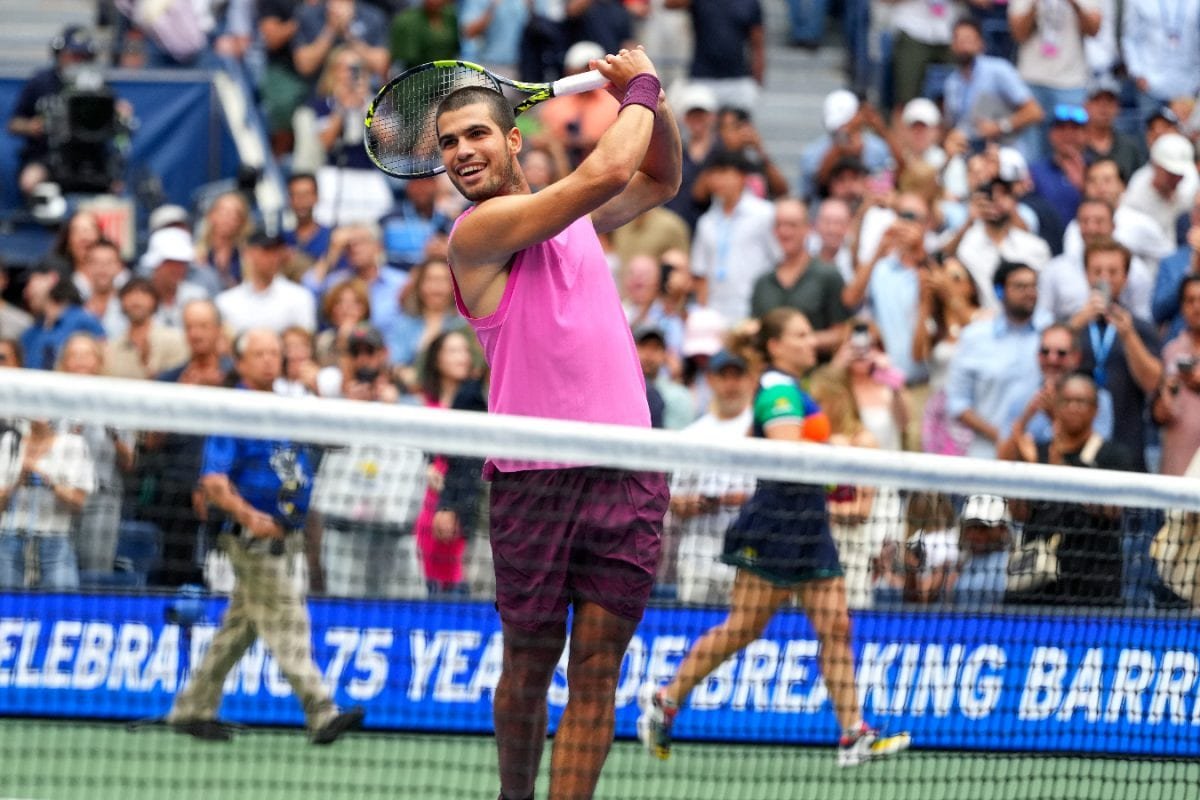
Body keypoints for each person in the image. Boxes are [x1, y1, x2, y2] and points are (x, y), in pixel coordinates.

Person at [436, 46, 679, 800]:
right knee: (527, 667)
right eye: (447, 143)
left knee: (599, 668)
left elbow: (660, 176)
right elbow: (604, 172)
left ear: (512, 139)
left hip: (626, 471)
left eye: (475, 134)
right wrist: (639, 85)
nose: (461, 152)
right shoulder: (478, 235)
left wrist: (654, 105)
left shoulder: (578, 217)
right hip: (533, 478)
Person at [636, 308, 910, 766]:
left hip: (809, 521)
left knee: (836, 628)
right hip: (778, 523)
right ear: (777, 347)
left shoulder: (792, 387)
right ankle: (665, 700)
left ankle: (853, 734)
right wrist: (837, 450)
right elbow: (787, 452)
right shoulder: (778, 389)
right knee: (744, 628)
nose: (810, 342)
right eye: (800, 335)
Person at [165, 328, 364, 743]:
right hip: (249, 539)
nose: (270, 360)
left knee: (240, 628)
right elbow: (214, 481)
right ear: (240, 363)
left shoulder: (289, 407)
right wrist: (251, 517)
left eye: (276, 353)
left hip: (285, 539)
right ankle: (322, 711)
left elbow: (339, 439)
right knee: (289, 616)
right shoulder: (233, 411)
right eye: (260, 354)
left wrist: (316, 390)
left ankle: (191, 708)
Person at [1002, 373, 1135, 605]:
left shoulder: (1113, 455)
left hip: (1093, 583)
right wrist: (1029, 469)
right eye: (1067, 401)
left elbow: (1111, 510)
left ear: (1095, 409)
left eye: (1081, 401)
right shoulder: (1038, 453)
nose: (1073, 407)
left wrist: (1059, 468)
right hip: (1038, 587)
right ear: (1057, 406)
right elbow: (1020, 513)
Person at [667, 349, 754, 604]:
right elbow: (676, 500)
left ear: (748, 380)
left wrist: (721, 499)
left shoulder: (760, 427)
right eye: (723, 376)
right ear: (711, 381)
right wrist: (698, 504)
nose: (731, 384)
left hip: (748, 557)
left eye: (737, 376)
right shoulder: (693, 434)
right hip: (697, 557)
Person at [55, 333, 137, 576]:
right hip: (59, 496)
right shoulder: (49, 398)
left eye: (87, 354)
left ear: (99, 361)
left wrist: (114, 435)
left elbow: (129, 462)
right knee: (57, 569)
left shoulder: (116, 402)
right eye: (74, 355)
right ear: (64, 363)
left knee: (95, 572)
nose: (81, 361)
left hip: (102, 497)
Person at [945, 260, 1045, 458]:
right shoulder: (975, 337)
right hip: (987, 453)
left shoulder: (1049, 334)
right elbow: (957, 403)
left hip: (1040, 454)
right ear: (1000, 291)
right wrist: (1003, 437)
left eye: (1033, 286)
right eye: (1020, 286)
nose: (1029, 292)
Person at [413, 329, 476, 595]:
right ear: (437, 359)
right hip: (423, 507)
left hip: (462, 507)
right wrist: (424, 469)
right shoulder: (422, 406)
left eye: (464, 350)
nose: (461, 357)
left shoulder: (477, 402)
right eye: (452, 351)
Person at [0, 417, 95, 589]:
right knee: (8, 612)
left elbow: (79, 503)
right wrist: (18, 481)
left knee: (62, 611)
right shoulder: (10, 442)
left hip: (55, 542)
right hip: (9, 541)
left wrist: (48, 482)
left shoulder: (73, 445)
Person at [750, 198, 849, 358]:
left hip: (816, 375)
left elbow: (842, 332)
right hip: (773, 376)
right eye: (779, 225)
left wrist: (799, 342)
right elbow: (756, 329)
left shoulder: (828, 275)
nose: (784, 232)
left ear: (808, 228)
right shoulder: (763, 282)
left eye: (792, 225)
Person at [216, 229, 317, 335]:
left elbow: (304, 343)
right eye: (266, 250)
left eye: (276, 251)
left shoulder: (299, 298)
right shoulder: (227, 302)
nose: (273, 257)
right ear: (248, 253)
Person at [1151, 276, 1200, 476]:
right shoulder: (1170, 350)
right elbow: (1157, 413)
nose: (1197, 307)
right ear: (1181, 307)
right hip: (1176, 467)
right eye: (1190, 300)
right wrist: (1161, 408)